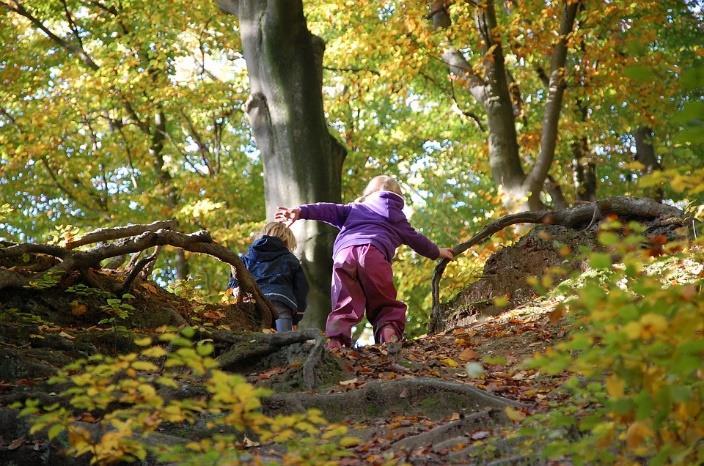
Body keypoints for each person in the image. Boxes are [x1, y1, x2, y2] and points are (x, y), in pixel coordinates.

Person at [275, 175, 454, 348]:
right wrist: (437, 251)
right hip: (374, 255)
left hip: (344, 256)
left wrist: (300, 211)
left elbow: (327, 209)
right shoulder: (397, 218)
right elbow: (417, 240)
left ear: (367, 194)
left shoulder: (355, 209)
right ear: (399, 198)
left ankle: (336, 342)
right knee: (384, 303)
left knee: (344, 304)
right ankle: (388, 336)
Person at [228, 222, 308, 332]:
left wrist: (235, 290)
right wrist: (296, 318)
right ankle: (285, 344)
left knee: (254, 335)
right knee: (284, 339)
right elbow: (301, 289)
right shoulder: (291, 260)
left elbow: (235, 279)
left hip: (253, 300)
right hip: (281, 301)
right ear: (287, 242)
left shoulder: (247, 257)